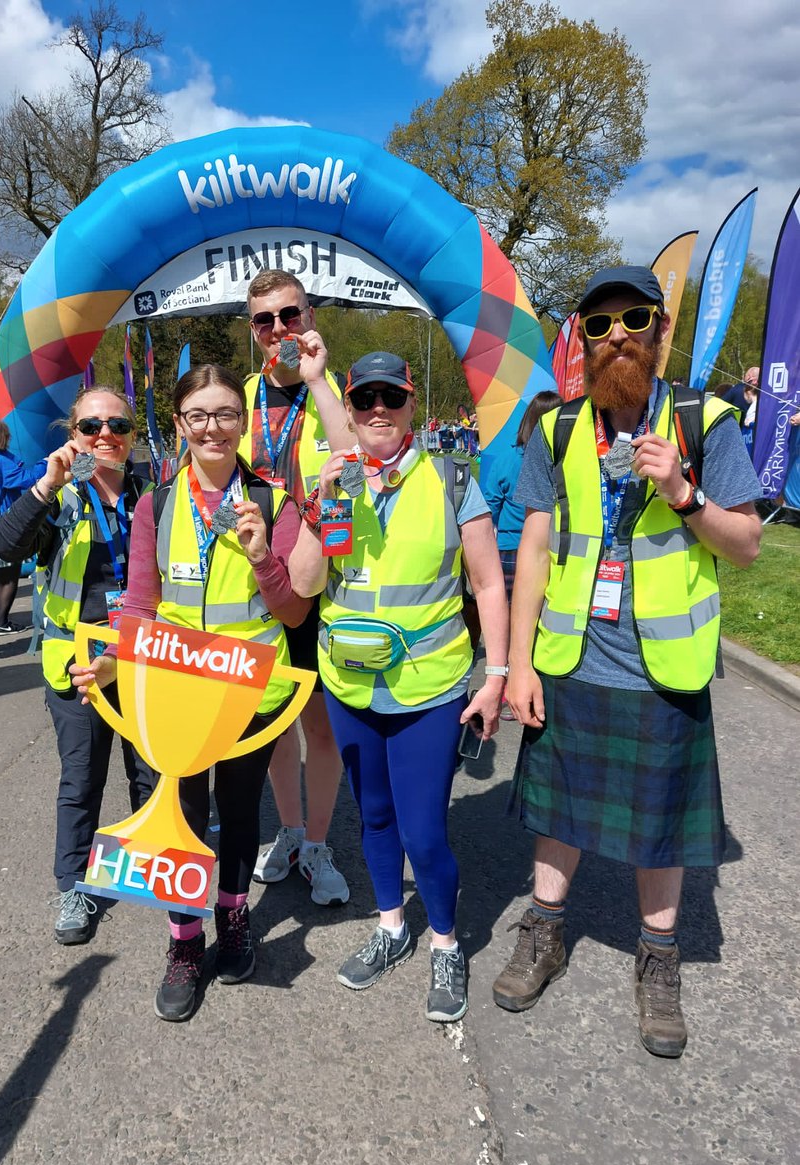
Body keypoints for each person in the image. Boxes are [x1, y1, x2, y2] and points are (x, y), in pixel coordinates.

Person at [494, 266, 762, 1057]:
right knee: (557, 811)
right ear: (581, 340)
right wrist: (517, 661)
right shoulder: (557, 429)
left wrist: (683, 491)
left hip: (663, 668)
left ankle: (659, 960)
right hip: (572, 657)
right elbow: (535, 549)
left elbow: (746, 545)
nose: (618, 336)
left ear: (660, 331)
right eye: (600, 324)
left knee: (661, 826)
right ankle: (543, 932)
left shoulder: (705, 421)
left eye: (634, 319)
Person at [72, 365, 311, 1022]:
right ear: (180, 425)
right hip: (175, 695)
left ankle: (233, 920)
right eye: (199, 415)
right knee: (177, 819)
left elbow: (292, 615)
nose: (213, 427)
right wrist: (112, 664)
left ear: (243, 422)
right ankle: (184, 941)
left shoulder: (275, 501)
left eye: (226, 413)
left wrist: (264, 555)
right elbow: (142, 605)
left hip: (247, 699)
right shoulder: (158, 504)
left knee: (237, 817)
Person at [289, 352, 509, 1022]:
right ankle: (392, 925)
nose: (377, 410)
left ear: (412, 404)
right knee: (374, 818)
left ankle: (444, 942)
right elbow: (302, 586)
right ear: (350, 411)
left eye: (391, 397)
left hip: (428, 686)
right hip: (350, 684)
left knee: (424, 831)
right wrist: (321, 501)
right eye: (364, 400)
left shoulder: (449, 476)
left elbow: (489, 582)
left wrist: (495, 674)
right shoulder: (338, 481)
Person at [0, 386, 155, 945]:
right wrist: (45, 484)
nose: (105, 434)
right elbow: (4, 549)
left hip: (140, 656)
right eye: (91, 426)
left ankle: (148, 862)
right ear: (72, 435)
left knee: (150, 769)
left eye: (117, 425)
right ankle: (74, 882)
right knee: (82, 776)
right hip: (78, 665)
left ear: (133, 435)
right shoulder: (58, 496)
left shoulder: (154, 495)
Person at [241, 268, 352, 907]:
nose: (281, 329)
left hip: (320, 584)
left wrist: (316, 382)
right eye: (266, 320)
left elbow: (359, 468)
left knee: (321, 727)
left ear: (309, 316)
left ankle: (317, 842)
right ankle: (286, 831)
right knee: (275, 723)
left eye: (291, 315)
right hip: (256, 581)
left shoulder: (336, 391)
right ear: (253, 330)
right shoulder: (241, 397)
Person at [482, 391, 563, 603]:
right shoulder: (565, 462)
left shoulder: (506, 460)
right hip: (553, 549)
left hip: (510, 550)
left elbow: (489, 508)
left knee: (510, 616)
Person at [0, 417, 47, 634]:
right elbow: (28, 479)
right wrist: (46, 463)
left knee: (1, 577)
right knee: (10, 577)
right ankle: (1, 623)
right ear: (0, 437)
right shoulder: (1, 462)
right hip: (4, 529)